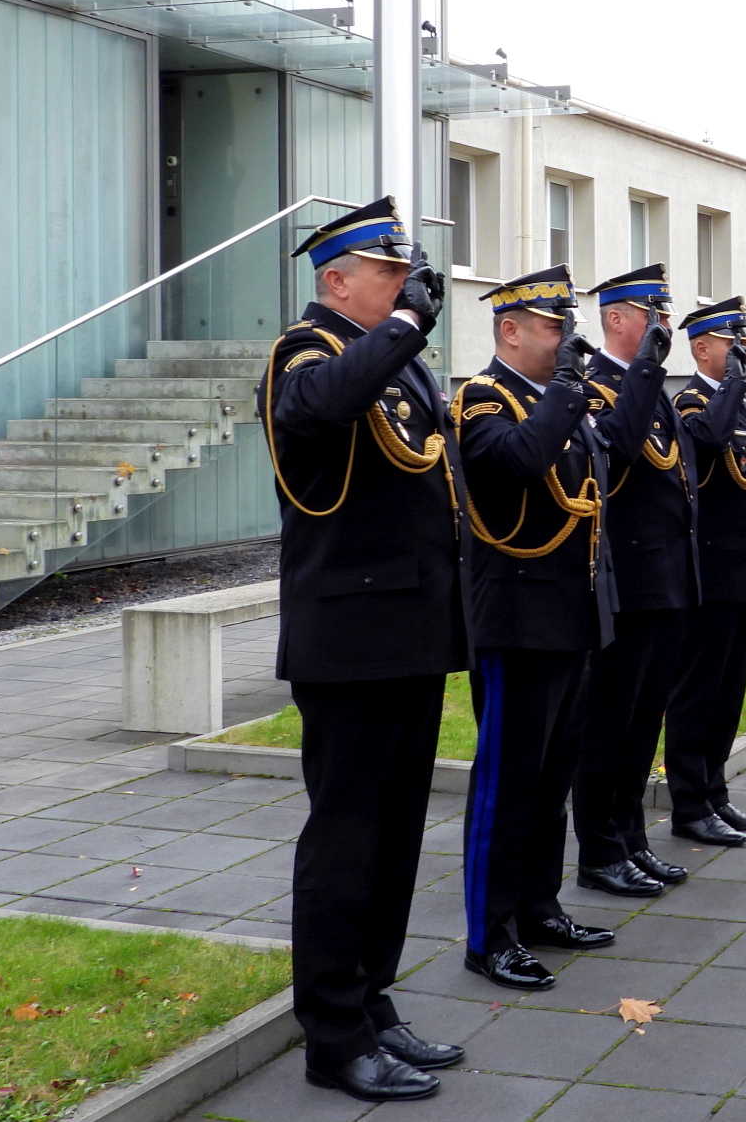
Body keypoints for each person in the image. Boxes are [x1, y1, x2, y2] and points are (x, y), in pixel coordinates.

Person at [263, 197, 468, 1103]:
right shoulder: (303, 354)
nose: (406, 286)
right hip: (348, 640)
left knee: (394, 839)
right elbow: (325, 406)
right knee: (345, 842)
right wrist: (407, 327)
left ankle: (371, 1001)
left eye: (405, 275)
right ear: (337, 281)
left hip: (411, 631)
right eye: (389, 274)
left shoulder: (392, 358)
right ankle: (333, 1035)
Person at [449, 264, 618, 991]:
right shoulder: (483, 399)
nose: (567, 338)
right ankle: (489, 937)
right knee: (507, 785)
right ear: (510, 330)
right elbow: (516, 465)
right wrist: (570, 392)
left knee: (552, 782)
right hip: (515, 621)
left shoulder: (558, 399)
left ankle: (539, 908)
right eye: (555, 326)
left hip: (569, 614)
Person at [571, 265, 698, 896]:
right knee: (608, 725)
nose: (663, 327)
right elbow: (618, 454)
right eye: (653, 314)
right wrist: (646, 369)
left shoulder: (648, 386)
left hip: (665, 582)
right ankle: (599, 850)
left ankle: (631, 839)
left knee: (644, 721)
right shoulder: (595, 388)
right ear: (617, 318)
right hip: (627, 585)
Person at [666, 296, 746, 847]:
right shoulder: (689, 403)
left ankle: (715, 793)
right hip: (710, 577)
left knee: (728, 695)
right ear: (702, 348)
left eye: (745, 345)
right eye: (734, 345)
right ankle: (689, 804)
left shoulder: (744, 404)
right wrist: (731, 386)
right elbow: (707, 443)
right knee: (699, 694)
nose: (743, 354)